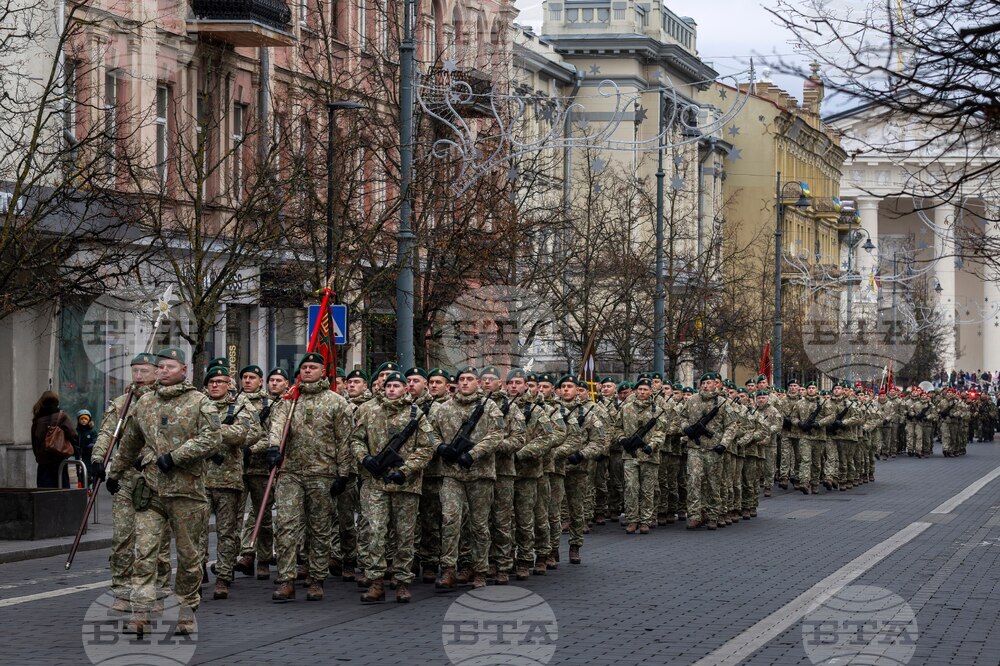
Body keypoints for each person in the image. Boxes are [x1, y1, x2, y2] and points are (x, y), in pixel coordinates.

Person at [109, 347, 221, 636]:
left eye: (170, 367)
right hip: (151, 490)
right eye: (160, 367)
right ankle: (141, 612)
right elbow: (131, 441)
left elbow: (212, 438)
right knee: (144, 551)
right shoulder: (145, 402)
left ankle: (185, 610)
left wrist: (177, 456)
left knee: (188, 556)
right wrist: (115, 471)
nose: (164, 371)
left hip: (186, 491)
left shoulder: (199, 402)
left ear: (184, 370)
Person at [264, 353, 354, 603]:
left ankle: (316, 578)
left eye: (313, 367)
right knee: (286, 525)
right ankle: (286, 579)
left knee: (319, 529)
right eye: (304, 367)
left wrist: (343, 473)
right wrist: (273, 447)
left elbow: (344, 440)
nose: (307, 371)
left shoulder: (336, 402)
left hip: (322, 473)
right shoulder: (290, 399)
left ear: (323, 371)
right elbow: (277, 425)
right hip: (291, 471)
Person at [352, 371, 435, 602]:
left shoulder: (416, 414)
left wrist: (405, 470)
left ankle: (402, 581)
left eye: (397, 386)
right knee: (376, 533)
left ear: (405, 389)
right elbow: (356, 439)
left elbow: (426, 448)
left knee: (404, 535)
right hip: (376, 483)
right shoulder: (369, 411)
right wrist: (365, 459)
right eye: (389, 386)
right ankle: (376, 581)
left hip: (405, 485)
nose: (391, 389)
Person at [31, 391, 78, 488]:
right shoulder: (61, 416)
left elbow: (34, 441)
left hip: (43, 461)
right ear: (56, 401)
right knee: (62, 489)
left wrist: (39, 456)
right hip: (59, 458)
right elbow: (73, 434)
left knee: (44, 492)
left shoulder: (38, 418)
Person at [77, 410, 98, 485]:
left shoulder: (91, 431)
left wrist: (91, 444)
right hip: (79, 454)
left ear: (89, 420)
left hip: (88, 454)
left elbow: (95, 440)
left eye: (85, 419)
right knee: (79, 472)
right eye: (81, 419)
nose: (83, 421)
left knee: (87, 469)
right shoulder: (77, 431)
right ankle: (81, 483)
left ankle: (89, 483)